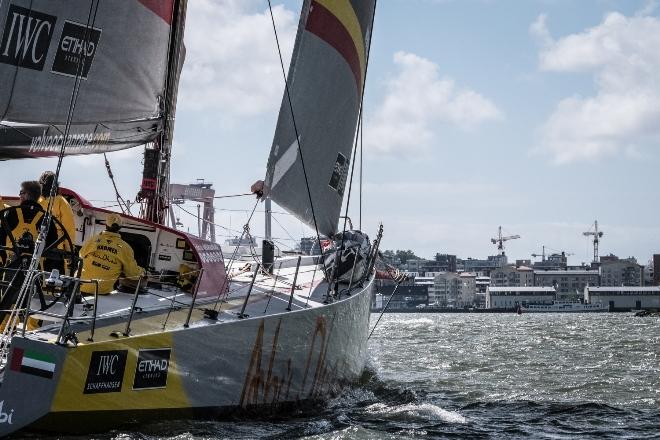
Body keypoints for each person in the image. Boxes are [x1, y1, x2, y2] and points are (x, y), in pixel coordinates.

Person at [79, 213, 144, 295]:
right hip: (102, 292)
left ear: (106, 225)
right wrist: (143, 272)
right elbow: (133, 274)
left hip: (81, 287)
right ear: (120, 227)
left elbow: (80, 256)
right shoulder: (125, 248)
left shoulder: (93, 240)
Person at [38, 171, 76, 243]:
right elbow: (69, 229)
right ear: (56, 185)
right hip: (55, 248)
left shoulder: (35, 200)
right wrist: (69, 250)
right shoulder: (62, 202)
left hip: (35, 245)